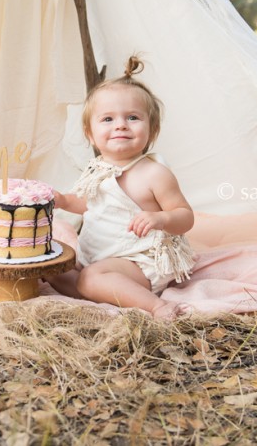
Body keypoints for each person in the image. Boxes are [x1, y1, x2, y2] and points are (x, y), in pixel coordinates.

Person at [52, 56, 196, 319]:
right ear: (89, 133)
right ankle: (100, 290)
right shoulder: (98, 168)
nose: (120, 125)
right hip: (99, 255)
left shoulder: (154, 173)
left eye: (132, 117)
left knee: (90, 279)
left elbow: (185, 217)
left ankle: (157, 306)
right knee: (52, 265)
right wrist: (62, 201)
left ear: (152, 131)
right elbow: (90, 203)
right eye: (107, 119)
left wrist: (160, 218)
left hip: (139, 261)